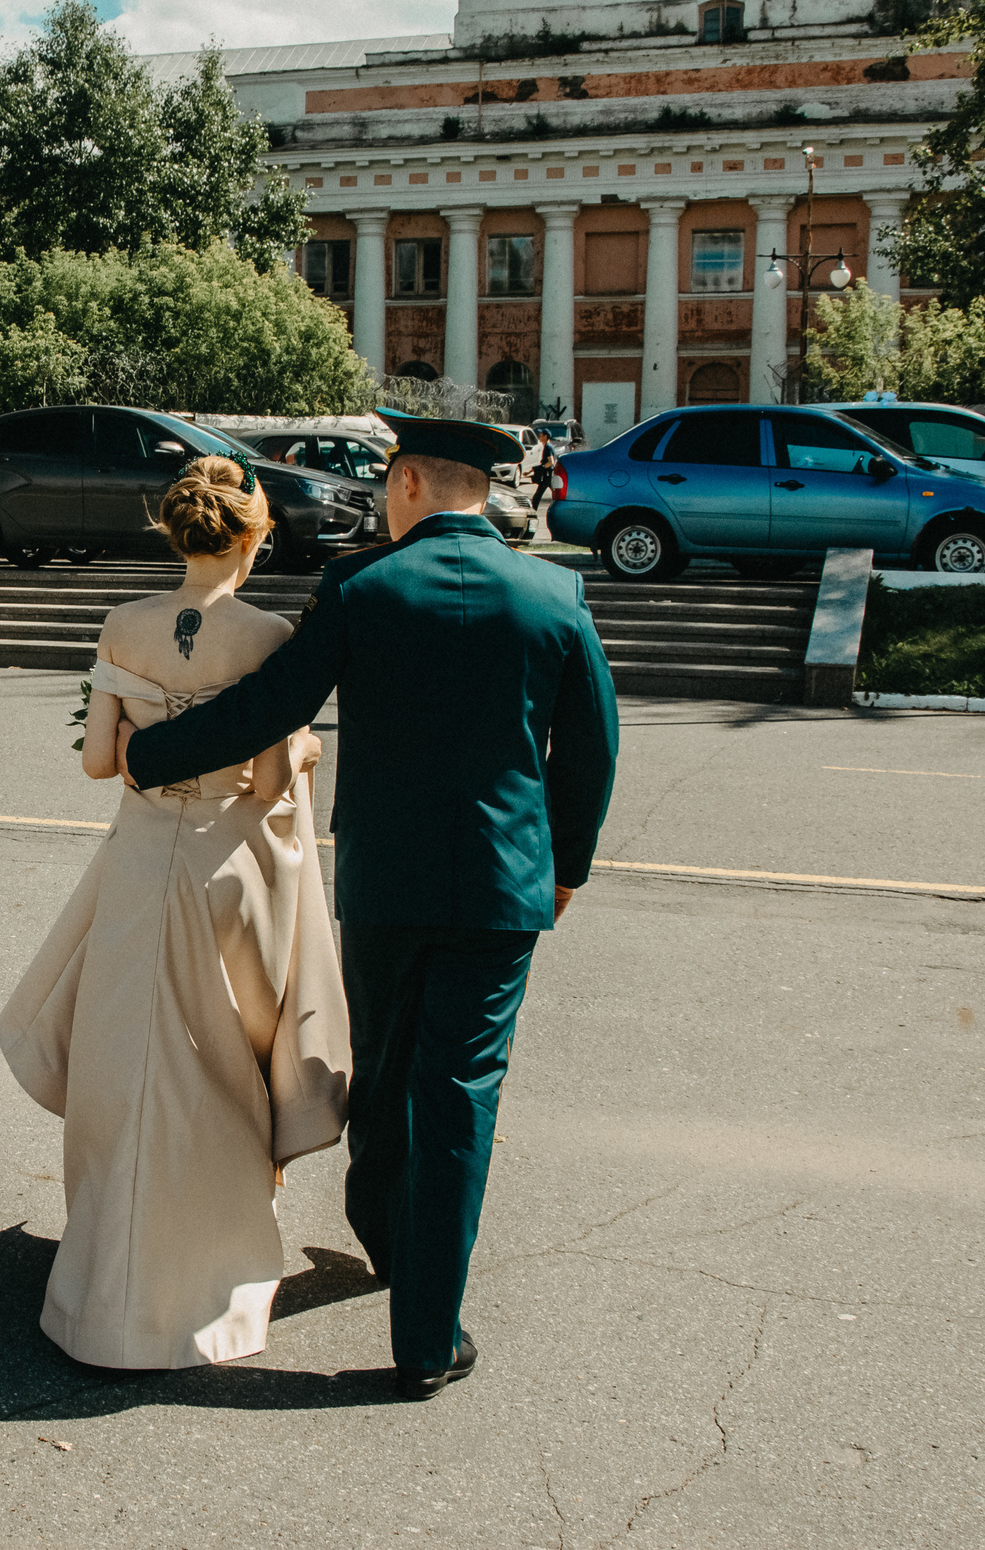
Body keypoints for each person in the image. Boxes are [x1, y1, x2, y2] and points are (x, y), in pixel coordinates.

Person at [119, 413, 617, 1401]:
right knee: (460, 1096)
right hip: (503, 888)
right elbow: (590, 746)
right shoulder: (556, 593)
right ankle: (426, 1334)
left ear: (406, 488)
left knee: (385, 1069)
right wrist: (566, 869)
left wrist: (150, 753)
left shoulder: (362, 587)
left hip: (386, 887)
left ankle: (389, 1230)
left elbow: (272, 704)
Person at [0, 456, 352, 1371]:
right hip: (228, 867)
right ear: (253, 534)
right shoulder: (270, 634)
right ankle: (202, 1272)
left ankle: (104, 1281)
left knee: (125, 1063)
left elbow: (100, 765)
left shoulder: (125, 622)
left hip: (141, 860)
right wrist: (305, 750)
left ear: (174, 531)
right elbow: (270, 778)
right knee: (223, 1066)